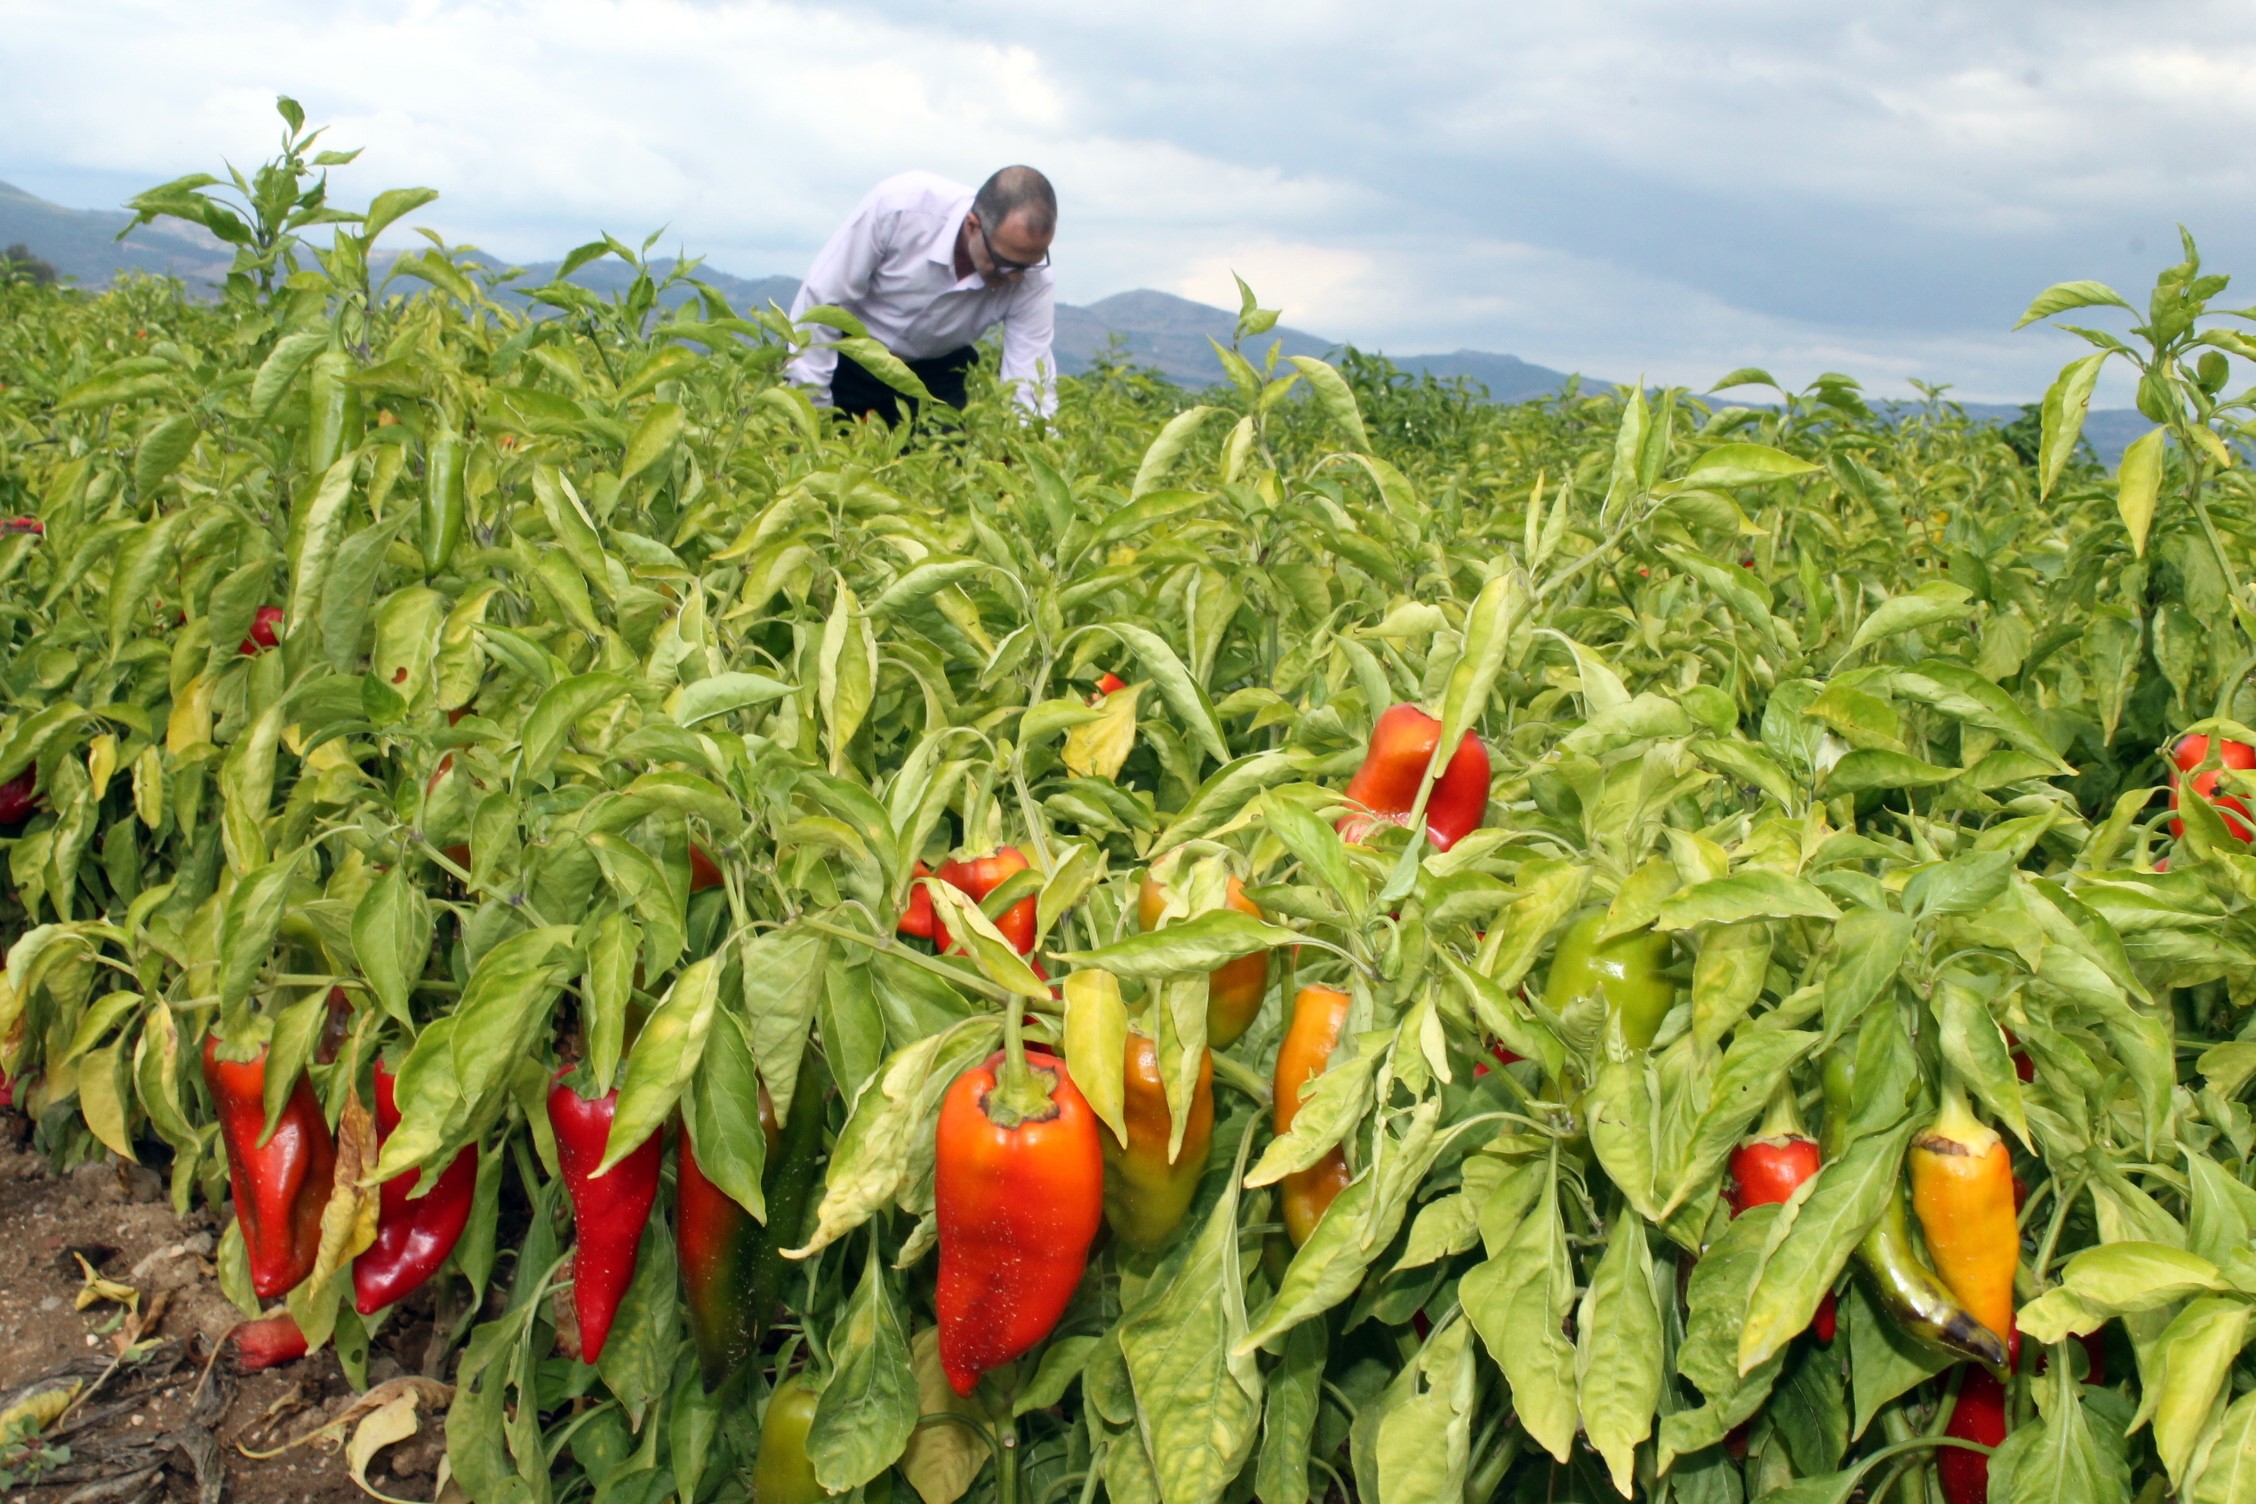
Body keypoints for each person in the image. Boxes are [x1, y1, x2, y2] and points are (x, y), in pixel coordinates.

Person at [784, 167, 1058, 425]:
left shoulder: (1034, 277)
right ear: (973, 226)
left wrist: (1031, 451)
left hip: (936, 374)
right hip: (849, 356)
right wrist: (810, 411)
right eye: (1004, 261)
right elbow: (822, 303)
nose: (1015, 277)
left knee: (942, 464)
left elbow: (1030, 380)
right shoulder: (900, 208)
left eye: (1028, 264)